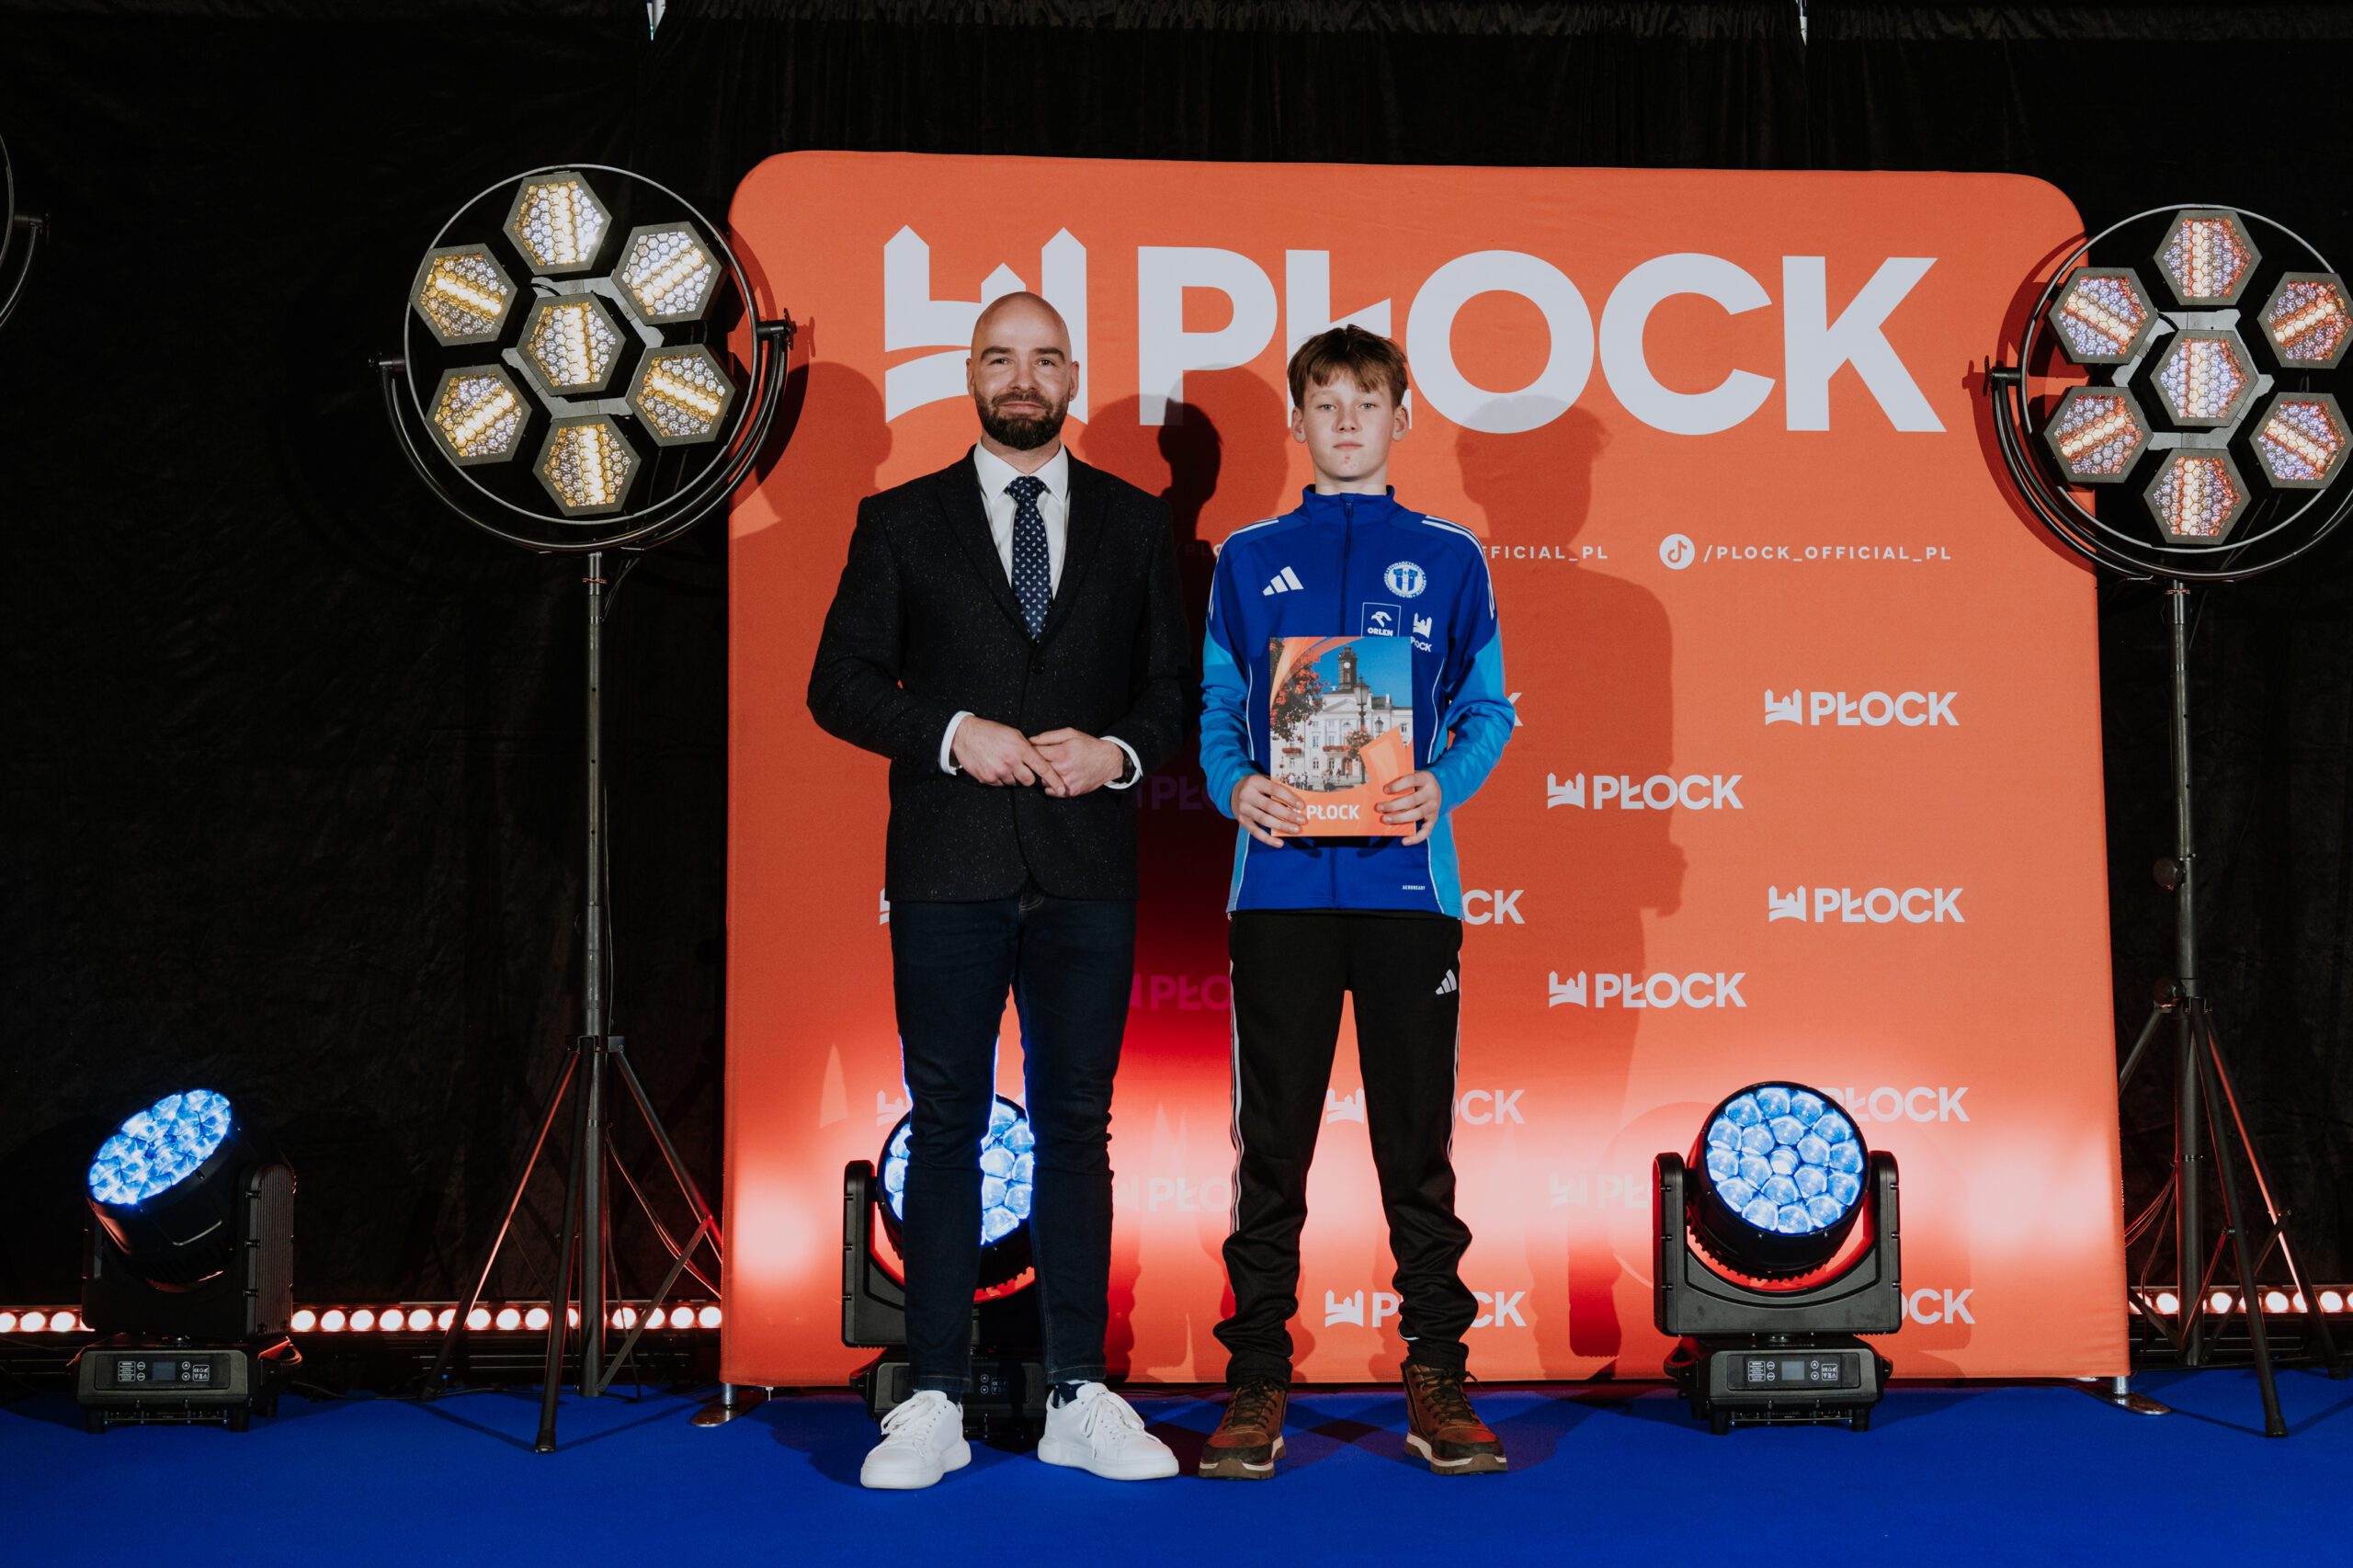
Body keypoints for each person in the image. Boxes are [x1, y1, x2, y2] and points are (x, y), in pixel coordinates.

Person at [808, 292, 1189, 1490]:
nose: (1023, 378)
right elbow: (837, 683)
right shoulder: (899, 520)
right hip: (948, 867)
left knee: (1077, 1124)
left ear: (1072, 375)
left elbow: (1176, 692)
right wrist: (950, 731)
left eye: (1043, 358)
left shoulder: (1137, 524)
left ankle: (1079, 1390)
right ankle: (932, 1396)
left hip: (1087, 867)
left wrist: (1117, 752)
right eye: (1000, 357)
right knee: (947, 1124)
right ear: (970, 374)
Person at [1195, 324, 1516, 1478]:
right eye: (1323, 402)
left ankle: (1437, 1369)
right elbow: (1217, 705)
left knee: (1414, 1144)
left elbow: (1486, 707)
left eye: (1365, 402)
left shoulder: (1450, 556)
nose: (1343, 421)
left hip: (1405, 889)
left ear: (1401, 419)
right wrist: (1236, 786)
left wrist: (1444, 781)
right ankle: (1256, 1376)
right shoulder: (1245, 557)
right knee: (1271, 1145)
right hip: (1279, 888)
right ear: (1297, 421)